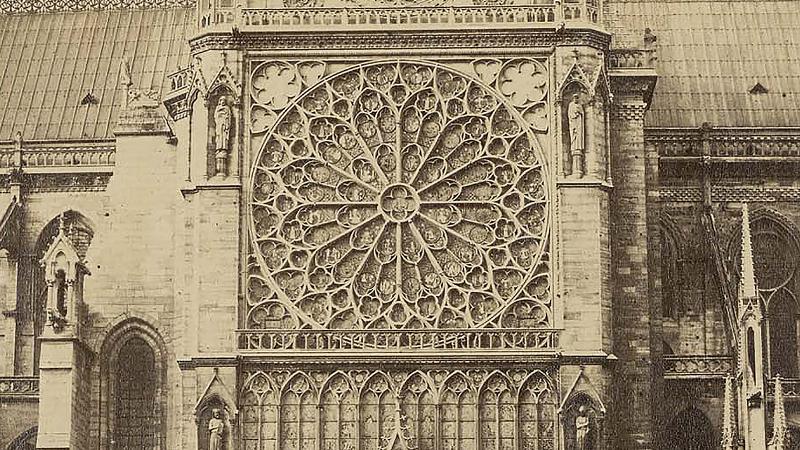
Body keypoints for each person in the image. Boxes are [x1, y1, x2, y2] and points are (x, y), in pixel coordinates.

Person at [567, 93, 585, 177]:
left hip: (578, 124)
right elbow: (569, 114)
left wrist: (579, 113)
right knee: (574, 141)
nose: (575, 99)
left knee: (578, 141)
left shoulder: (580, 106)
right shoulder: (571, 105)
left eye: (577, 98)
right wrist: (574, 114)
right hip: (573, 124)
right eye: (574, 98)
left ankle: (578, 169)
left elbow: (582, 113)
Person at [214, 96, 232, 176]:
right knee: (219, 138)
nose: (223, 102)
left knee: (223, 139)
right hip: (219, 126)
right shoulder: (217, 108)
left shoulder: (227, 108)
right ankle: (219, 150)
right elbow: (216, 117)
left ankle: (223, 150)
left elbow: (229, 117)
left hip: (224, 126)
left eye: (224, 100)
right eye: (221, 100)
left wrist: (225, 121)